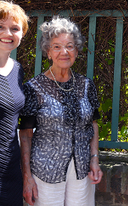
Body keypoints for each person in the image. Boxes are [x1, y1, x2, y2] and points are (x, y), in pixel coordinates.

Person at [19, 17, 103, 206]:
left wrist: (94, 159)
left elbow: (93, 125)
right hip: (44, 171)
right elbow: (25, 135)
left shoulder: (87, 85)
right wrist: (27, 177)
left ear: (76, 50)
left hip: (82, 171)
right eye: (56, 46)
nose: (64, 52)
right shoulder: (34, 88)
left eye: (70, 46)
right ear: (48, 52)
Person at [0, 0, 29, 205]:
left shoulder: (17, 70)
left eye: (15, 28)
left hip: (10, 172)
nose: (8, 33)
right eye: (0, 27)